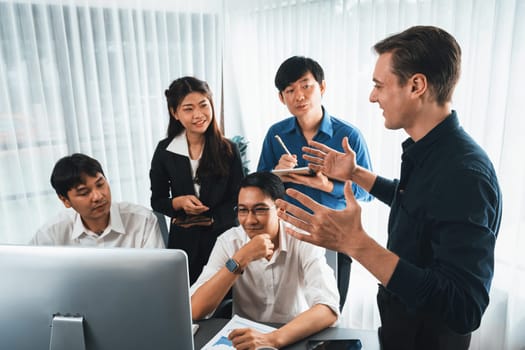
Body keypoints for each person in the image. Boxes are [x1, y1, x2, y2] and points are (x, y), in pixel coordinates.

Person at [276, 26, 502, 350]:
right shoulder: (430, 151)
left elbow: (463, 307)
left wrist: (357, 244)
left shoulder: (464, 174)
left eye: (379, 86)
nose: (372, 96)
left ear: (416, 85)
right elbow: (417, 203)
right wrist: (356, 174)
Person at [257, 55, 373, 309]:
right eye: (290, 90)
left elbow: (367, 192)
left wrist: (328, 186)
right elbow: (259, 189)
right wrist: (276, 173)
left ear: (322, 87)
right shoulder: (275, 134)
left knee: (330, 309)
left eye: (305, 85)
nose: (299, 95)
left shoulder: (348, 135)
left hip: (336, 234)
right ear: (281, 98)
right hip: (289, 236)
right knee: (288, 310)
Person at [191, 172, 339, 350]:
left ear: (281, 210)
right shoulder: (229, 241)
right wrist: (240, 259)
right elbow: (195, 308)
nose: (250, 220)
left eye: (260, 209)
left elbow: (328, 308)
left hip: (294, 334)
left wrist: (272, 339)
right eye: (243, 210)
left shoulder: (302, 239)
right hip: (245, 339)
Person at [150, 76, 244, 284]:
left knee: (224, 300)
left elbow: (238, 200)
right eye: (188, 109)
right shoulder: (165, 151)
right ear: (175, 113)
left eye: (203, 105)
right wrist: (178, 203)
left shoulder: (228, 149)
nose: (198, 114)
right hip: (184, 242)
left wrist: (212, 219)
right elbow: (157, 200)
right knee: (187, 301)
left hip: (222, 239)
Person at [30, 153, 164, 248]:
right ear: (65, 200)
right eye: (84, 192)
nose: (98, 196)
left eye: (100, 184)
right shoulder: (52, 233)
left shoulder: (143, 220)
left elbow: (159, 276)